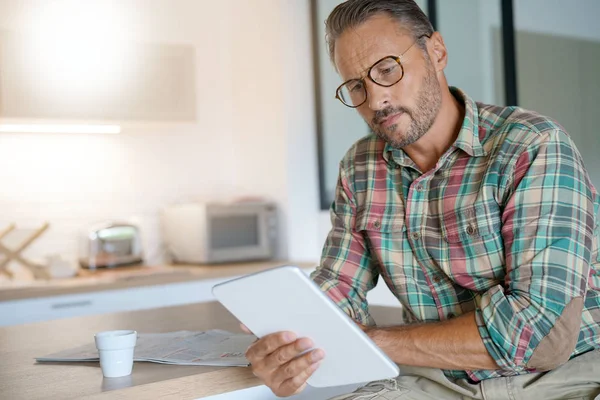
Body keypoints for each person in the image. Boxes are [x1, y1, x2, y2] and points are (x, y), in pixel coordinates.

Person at [243, 0, 600, 398]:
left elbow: (541, 336)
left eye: (387, 69)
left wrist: (371, 341)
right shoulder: (360, 168)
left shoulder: (532, 145)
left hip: (568, 375)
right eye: (358, 86)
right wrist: (292, 338)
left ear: (437, 51)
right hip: (442, 380)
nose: (376, 100)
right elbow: (339, 284)